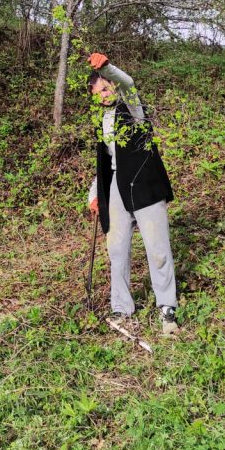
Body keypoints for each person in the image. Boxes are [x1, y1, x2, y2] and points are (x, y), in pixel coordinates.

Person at [86, 52, 179, 335]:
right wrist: (94, 193)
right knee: (116, 248)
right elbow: (104, 161)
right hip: (115, 185)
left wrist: (108, 68)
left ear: (112, 85)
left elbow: (128, 83)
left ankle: (167, 306)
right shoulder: (101, 120)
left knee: (157, 249)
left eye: (105, 87)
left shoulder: (134, 109)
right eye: (96, 93)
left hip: (144, 184)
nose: (103, 95)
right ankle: (122, 307)